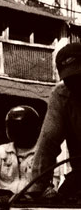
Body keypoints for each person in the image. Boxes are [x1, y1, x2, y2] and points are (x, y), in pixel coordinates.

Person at [32, 42, 81, 197]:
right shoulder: (61, 95)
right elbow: (48, 140)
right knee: (62, 198)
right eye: (70, 80)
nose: (75, 84)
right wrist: (37, 188)